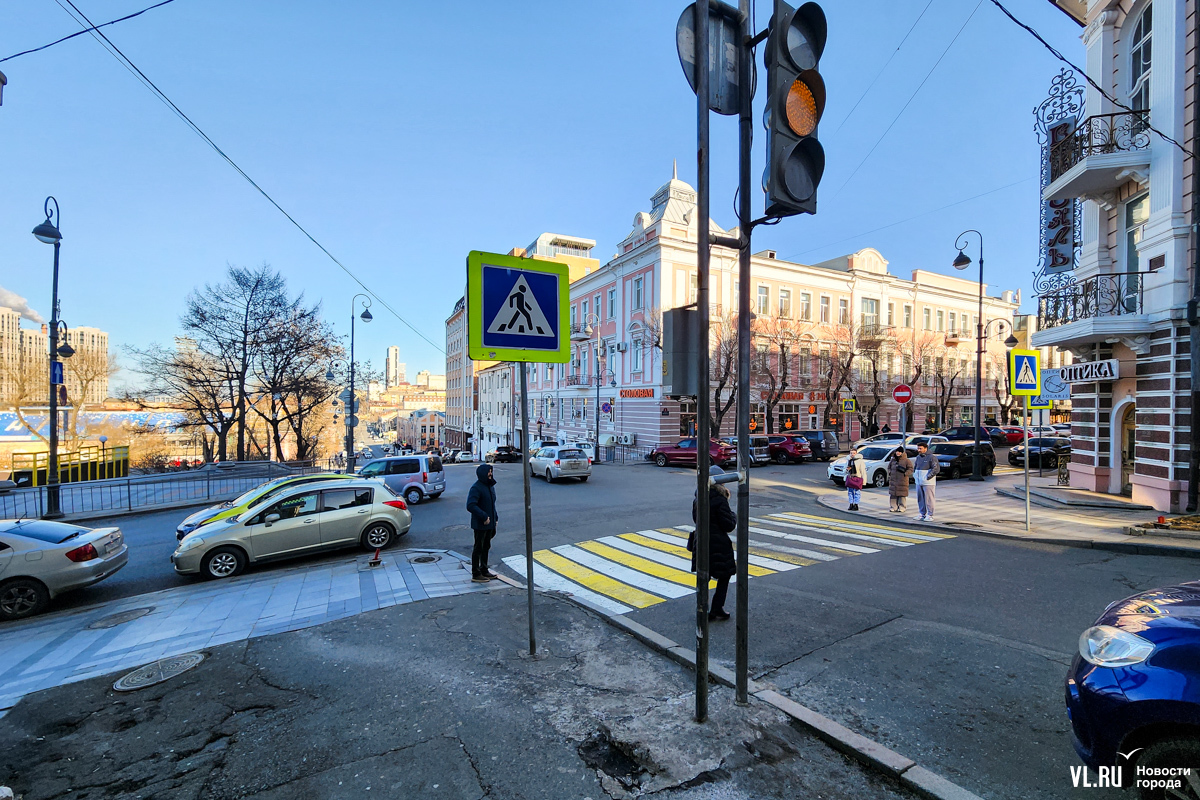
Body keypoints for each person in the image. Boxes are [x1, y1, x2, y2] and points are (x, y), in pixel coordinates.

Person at [688, 466, 737, 621]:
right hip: (718, 544)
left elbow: (697, 520)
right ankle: (716, 608)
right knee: (725, 576)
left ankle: (702, 609)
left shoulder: (698, 497)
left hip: (701, 542)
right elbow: (728, 525)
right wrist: (733, 516)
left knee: (704, 577)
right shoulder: (719, 498)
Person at [466, 464, 498, 582]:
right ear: (482, 474)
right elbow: (470, 505)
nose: (490, 474)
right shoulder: (477, 487)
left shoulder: (490, 486)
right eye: (488, 472)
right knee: (478, 548)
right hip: (480, 524)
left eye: (491, 471)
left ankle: (484, 569)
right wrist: (484, 516)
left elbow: (492, 505)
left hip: (490, 523)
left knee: (486, 547)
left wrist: (495, 518)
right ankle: (476, 573)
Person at [913, 442, 940, 522]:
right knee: (920, 498)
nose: (919, 450)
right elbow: (915, 467)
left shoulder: (932, 457)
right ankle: (922, 513)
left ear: (925, 448)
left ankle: (930, 514)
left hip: (928, 482)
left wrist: (927, 477)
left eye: (920, 448)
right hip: (918, 481)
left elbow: (936, 469)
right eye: (918, 448)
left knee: (929, 499)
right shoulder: (918, 457)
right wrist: (915, 475)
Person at [887, 448, 913, 513]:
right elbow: (889, 467)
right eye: (897, 451)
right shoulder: (893, 460)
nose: (898, 453)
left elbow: (911, 469)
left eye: (899, 452)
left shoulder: (906, 460)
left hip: (902, 481)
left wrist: (905, 473)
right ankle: (893, 507)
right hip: (893, 480)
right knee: (893, 494)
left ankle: (902, 507)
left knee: (902, 495)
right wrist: (890, 472)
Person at [844, 446, 867, 511]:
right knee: (850, 492)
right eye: (851, 453)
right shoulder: (848, 461)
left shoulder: (860, 461)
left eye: (854, 453)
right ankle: (851, 504)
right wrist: (847, 469)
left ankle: (856, 504)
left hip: (857, 478)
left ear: (856, 453)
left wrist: (864, 481)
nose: (852, 454)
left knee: (857, 492)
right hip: (850, 477)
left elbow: (863, 471)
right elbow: (844, 470)